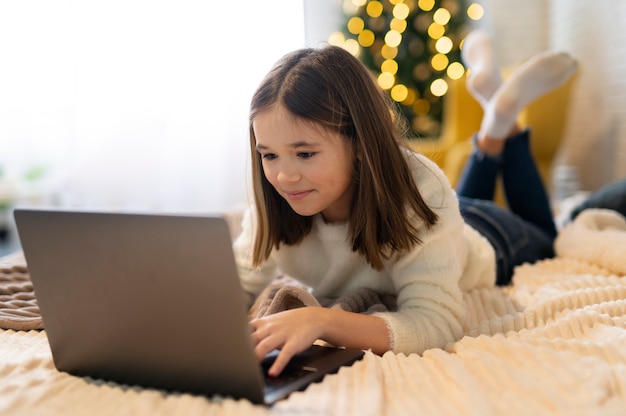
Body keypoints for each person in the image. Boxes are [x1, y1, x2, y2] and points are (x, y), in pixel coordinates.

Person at [233, 33, 578, 377]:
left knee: (547, 236)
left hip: (485, 237)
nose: (284, 177)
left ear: (358, 142)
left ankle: (504, 117)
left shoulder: (421, 187)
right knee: (456, 199)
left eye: (305, 153)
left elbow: (436, 322)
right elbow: (233, 282)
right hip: (442, 219)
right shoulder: (272, 201)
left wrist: (323, 320)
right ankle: (495, 117)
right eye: (270, 155)